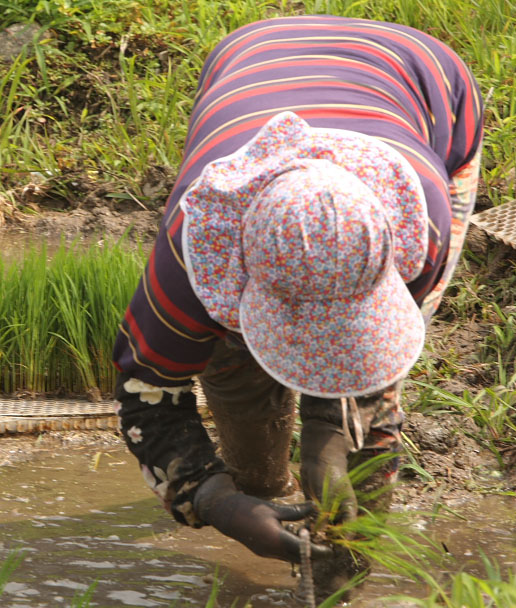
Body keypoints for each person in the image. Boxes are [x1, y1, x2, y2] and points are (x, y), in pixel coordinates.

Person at [112, 15, 484, 566]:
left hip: (422, 76)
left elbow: (374, 363)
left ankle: (349, 564)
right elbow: (148, 392)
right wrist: (216, 501)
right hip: (252, 57)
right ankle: (260, 485)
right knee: (239, 402)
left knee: (358, 430)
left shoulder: (416, 223)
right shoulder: (191, 255)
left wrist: (330, 428)